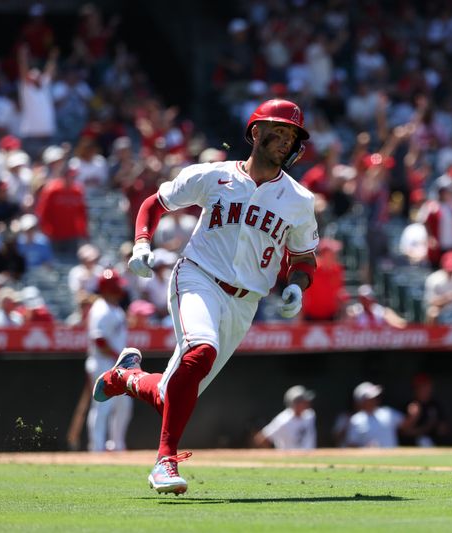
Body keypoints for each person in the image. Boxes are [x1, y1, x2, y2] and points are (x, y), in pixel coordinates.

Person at [90, 98, 319, 494]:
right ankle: (165, 461)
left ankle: (126, 377)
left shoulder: (299, 200)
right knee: (201, 351)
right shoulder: (214, 175)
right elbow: (153, 203)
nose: (285, 142)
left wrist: (297, 285)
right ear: (255, 132)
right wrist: (142, 243)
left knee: (172, 394)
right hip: (198, 276)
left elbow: (303, 257)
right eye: (278, 132)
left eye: (291, 136)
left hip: (245, 302)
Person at [85, 269, 132, 452]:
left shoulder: (116, 308)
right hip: (102, 363)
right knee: (102, 407)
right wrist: (119, 358)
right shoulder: (101, 309)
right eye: (116, 287)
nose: (119, 290)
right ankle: (97, 448)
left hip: (116, 365)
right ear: (107, 289)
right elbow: (99, 340)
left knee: (124, 405)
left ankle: (117, 445)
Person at [345, 382, 416, 448]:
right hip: (369, 460)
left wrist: (413, 415)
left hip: (391, 459)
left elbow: (405, 426)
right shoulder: (356, 420)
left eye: (375, 397)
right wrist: (365, 448)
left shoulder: (388, 412)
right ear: (362, 400)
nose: (374, 399)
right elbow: (351, 444)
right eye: (370, 398)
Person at [252, 385, 316, 450]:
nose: (307, 403)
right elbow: (261, 438)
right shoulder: (283, 420)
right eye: (303, 401)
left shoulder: (310, 415)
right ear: (295, 403)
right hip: (291, 457)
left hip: (310, 457)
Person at [398, 374, 449, 447]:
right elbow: (403, 432)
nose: (426, 389)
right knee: (423, 440)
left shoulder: (435, 405)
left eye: (427, 386)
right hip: (412, 445)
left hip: (434, 444)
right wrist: (413, 418)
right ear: (415, 389)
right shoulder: (409, 405)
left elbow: (443, 430)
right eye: (422, 386)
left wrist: (438, 426)